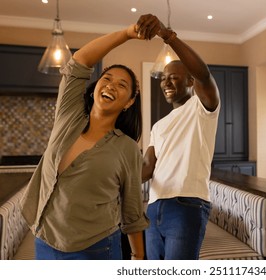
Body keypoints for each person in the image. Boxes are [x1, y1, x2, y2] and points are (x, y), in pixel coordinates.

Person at [19, 19, 154, 260]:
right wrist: (126, 33)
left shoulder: (127, 149)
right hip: (44, 241)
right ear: (95, 87)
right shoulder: (68, 116)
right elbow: (79, 61)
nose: (111, 86)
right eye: (107, 78)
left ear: (130, 102)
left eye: (122, 85)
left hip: (96, 248)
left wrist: (138, 257)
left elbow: (132, 209)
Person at [140, 14, 220, 260]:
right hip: (154, 207)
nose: (166, 82)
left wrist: (168, 36)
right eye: (164, 78)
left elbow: (204, 75)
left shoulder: (202, 108)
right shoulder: (158, 125)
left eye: (174, 77)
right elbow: (147, 167)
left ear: (189, 81)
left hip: (187, 205)